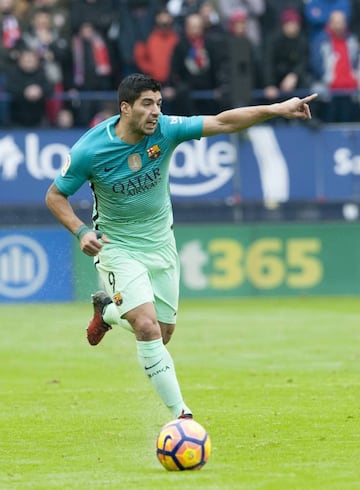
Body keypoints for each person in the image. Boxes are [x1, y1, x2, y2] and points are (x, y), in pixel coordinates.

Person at [45, 73, 317, 421]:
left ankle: (108, 312)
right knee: (147, 328)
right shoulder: (90, 149)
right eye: (147, 104)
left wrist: (278, 108)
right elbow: (55, 195)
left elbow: (222, 121)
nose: (156, 111)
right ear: (125, 108)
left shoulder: (167, 130)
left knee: (164, 333)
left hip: (161, 244)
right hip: (116, 247)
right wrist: (82, 231)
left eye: (158, 103)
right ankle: (182, 418)